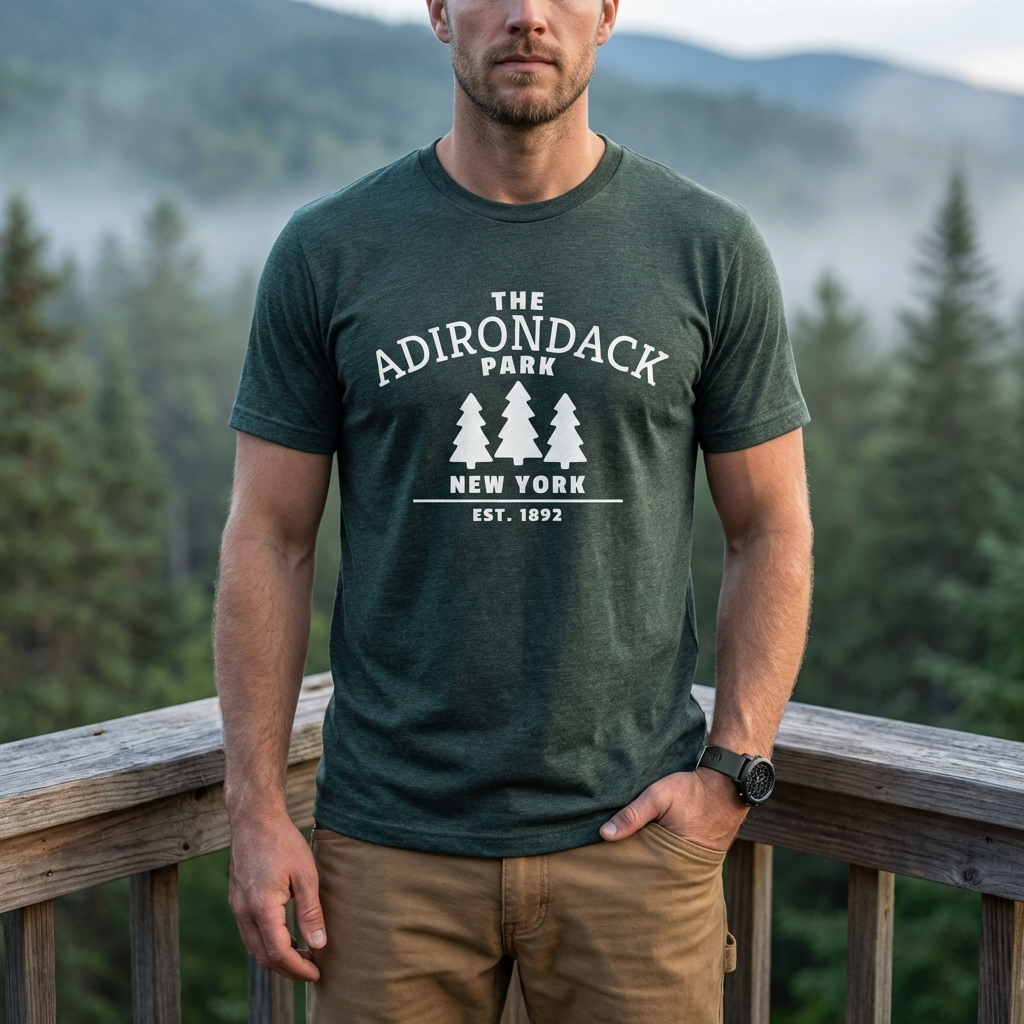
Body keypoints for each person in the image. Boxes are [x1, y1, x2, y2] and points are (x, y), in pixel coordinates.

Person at [214, 0, 813, 1019]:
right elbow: (268, 539)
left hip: (633, 845)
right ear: (441, 14)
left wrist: (731, 771)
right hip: (385, 853)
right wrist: (256, 808)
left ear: (609, 14)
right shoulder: (331, 250)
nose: (528, 16)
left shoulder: (706, 247)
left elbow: (772, 527)